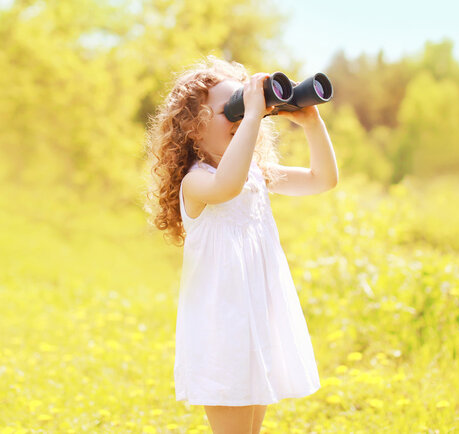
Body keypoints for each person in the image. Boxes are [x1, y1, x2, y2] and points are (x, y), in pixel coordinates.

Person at [144, 55, 338, 434]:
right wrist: (251, 115)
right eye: (230, 109)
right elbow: (226, 186)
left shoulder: (256, 175)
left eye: (245, 106)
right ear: (192, 130)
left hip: (257, 319)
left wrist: (312, 122)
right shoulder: (196, 183)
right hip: (223, 329)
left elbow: (322, 179)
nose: (241, 116)